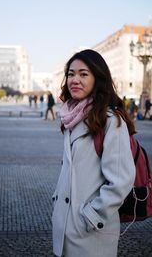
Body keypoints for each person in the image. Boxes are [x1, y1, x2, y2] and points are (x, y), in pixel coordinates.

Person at [52, 49, 136, 257]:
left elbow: (121, 180)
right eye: (71, 74)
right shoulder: (72, 117)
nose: (75, 80)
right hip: (66, 226)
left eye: (83, 74)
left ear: (97, 78)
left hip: (91, 233)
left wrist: (91, 216)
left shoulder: (110, 121)